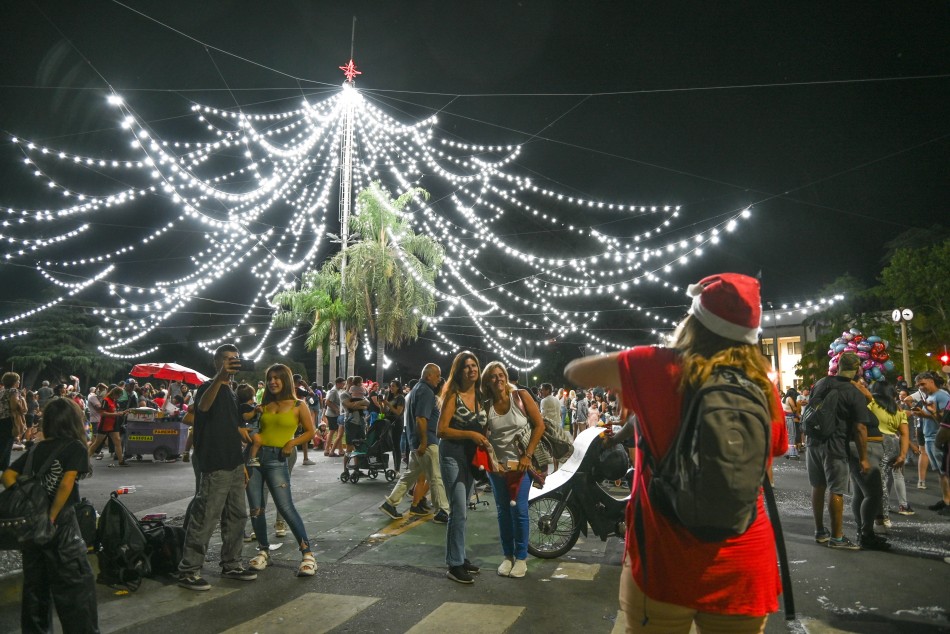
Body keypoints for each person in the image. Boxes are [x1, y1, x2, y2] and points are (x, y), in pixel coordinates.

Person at [564, 272, 787, 633]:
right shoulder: (762, 386)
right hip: (744, 559)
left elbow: (576, 371)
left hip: (664, 560)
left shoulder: (656, 366)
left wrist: (631, 377)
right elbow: (767, 464)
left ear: (694, 320)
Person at [2, 397, 99, 633]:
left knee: (36, 590)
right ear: (72, 421)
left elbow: (7, 476)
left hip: (33, 529)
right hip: (60, 527)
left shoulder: (37, 449)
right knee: (75, 589)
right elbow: (66, 485)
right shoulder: (74, 447)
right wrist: (52, 515)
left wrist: (27, 497)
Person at [177, 344, 257, 591]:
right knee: (206, 516)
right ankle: (189, 570)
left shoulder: (231, 392)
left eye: (235, 359)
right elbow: (202, 408)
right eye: (227, 359)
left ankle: (231, 564)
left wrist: (242, 465)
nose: (232, 363)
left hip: (233, 463)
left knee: (237, 516)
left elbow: (233, 429)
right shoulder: (207, 388)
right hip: (214, 464)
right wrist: (220, 377)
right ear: (216, 362)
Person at [245, 364, 317, 577]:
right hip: (255, 459)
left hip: (278, 458)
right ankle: (264, 551)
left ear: (286, 380)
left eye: (277, 378)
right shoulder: (263, 405)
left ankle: (308, 555)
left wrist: (291, 443)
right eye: (270, 378)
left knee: (285, 507)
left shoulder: (298, 404)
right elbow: (251, 429)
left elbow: (311, 432)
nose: (273, 382)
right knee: (256, 508)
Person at [482, 362, 545, 579]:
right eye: (493, 376)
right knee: (502, 512)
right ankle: (507, 556)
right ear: (487, 381)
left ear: (506, 376)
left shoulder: (520, 396)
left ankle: (521, 558)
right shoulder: (486, 404)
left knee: (519, 510)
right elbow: (483, 437)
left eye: (501, 375)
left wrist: (527, 455)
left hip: (520, 466)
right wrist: (492, 462)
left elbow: (539, 425)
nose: (498, 379)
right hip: (496, 468)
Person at [805, 352, 870, 550]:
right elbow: (860, 428)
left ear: (838, 365)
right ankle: (837, 537)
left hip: (813, 442)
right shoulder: (853, 392)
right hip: (835, 445)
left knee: (817, 486)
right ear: (858, 368)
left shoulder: (822, 382)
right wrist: (864, 458)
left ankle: (820, 531)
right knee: (836, 490)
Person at [437, 353, 491, 584]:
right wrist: (470, 434)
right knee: (458, 508)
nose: (471, 370)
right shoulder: (453, 395)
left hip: (472, 458)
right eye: (466, 367)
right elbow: (441, 430)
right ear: (458, 371)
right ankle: (454, 564)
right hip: (452, 454)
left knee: (464, 509)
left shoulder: (481, 396)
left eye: (474, 365)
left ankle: (460, 556)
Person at [379, 366, 450, 524]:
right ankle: (442, 511)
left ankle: (390, 503)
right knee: (435, 477)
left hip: (414, 441)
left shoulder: (416, 390)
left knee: (410, 476)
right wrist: (424, 442)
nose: (439, 379)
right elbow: (421, 419)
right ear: (429, 376)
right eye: (437, 375)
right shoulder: (426, 392)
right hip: (426, 442)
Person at [856, 381, 912, 523]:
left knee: (878, 483)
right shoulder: (898, 410)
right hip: (894, 444)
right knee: (888, 480)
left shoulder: (872, 404)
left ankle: (881, 517)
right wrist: (903, 454)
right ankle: (889, 511)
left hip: (876, 442)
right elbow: (904, 433)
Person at [911, 372, 950, 514]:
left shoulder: (942, 395)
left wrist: (925, 414)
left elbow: (945, 419)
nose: (921, 388)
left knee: (945, 472)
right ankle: (946, 499)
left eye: (923, 384)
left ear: (931, 381)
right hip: (929, 437)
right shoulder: (931, 396)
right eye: (918, 386)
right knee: (941, 472)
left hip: (937, 438)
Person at [87, 386, 128, 467]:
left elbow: (115, 411)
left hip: (113, 424)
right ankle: (85, 459)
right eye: (119, 395)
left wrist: (123, 412)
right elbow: (102, 413)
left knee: (118, 441)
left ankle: (121, 461)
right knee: (97, 443)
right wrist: (116, 414)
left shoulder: (114, 401)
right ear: (115, 394)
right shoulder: (106, 400)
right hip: (105, 424)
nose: (119, 397)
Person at [0, 372, 27, 471]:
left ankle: (5, 467)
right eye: (18, 380)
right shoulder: (14, 391)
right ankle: (4, 467)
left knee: (4, 444)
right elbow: (15, 405)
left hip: (2, 419)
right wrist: (22, 400)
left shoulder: (2, 391)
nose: (19, 382)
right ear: (14, 382)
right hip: (10, 420)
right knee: (6, 446)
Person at [383, 380, 406, 473]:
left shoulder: (400, 398)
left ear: (398, 387)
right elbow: (384, 411)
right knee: (392, 445)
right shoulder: (390, 396)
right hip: (389, 422)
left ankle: (397, 469)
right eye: (390, 386)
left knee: (396, 445)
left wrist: (388, 404)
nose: (391, 388)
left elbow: (398, 412)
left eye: (393, 386)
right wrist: (382, 403)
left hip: (396, 423)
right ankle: (395, 468)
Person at [324, 378, 345, 457]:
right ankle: (331, 450)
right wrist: (336, 409)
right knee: (335, 432)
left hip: (333, 414)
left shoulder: (337, 390)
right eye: (343, 383)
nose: (343, 385)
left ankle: (337, 450)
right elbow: (327, 402)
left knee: (334, 432)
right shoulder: (334, 391)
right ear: (338, 383)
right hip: (332, 415)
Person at [783, 387, 802, 459]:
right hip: (790, 418)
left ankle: (788, 452)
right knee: (792, 436)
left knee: (788, 436)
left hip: (784, 418)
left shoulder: (783, 399)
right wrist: (798, 406)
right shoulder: (789, 398)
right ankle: (792, 454)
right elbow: (794, 408)